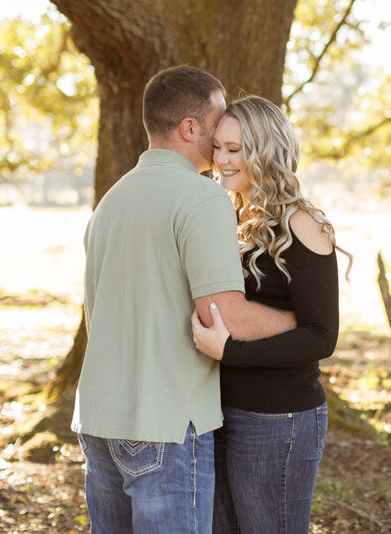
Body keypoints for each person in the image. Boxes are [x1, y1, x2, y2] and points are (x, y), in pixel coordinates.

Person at [72, 66, 297, 533]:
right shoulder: (202, 198)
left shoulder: (109, 202)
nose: (222, 142)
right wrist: (302, 323)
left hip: (97, 422)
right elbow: (225, 317)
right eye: (217, 126)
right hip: (166, 422)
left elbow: (98, 317)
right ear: (189, 128)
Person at [191, 95, 352, 534]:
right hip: (219, 412)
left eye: (234, 149)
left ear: (264, 151)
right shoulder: (233, 216)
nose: (220, 159)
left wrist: (230, 351)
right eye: (217, 147)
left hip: (278, 420)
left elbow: (322, 336)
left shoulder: (302, 223)